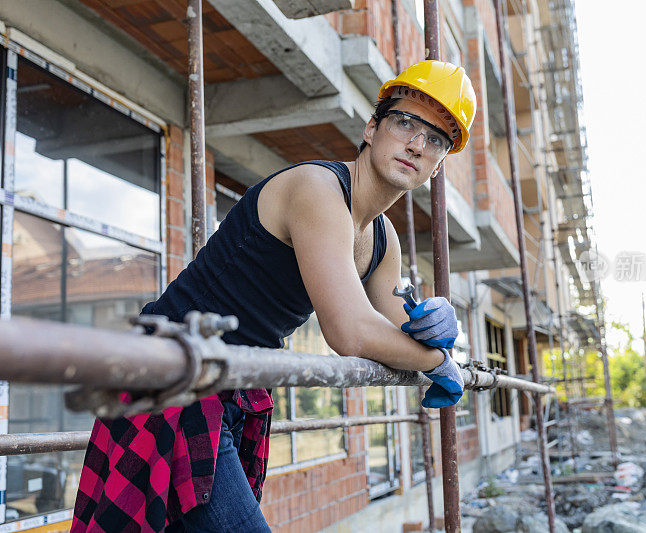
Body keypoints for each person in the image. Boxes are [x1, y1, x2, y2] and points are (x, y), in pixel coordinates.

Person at [70, 60, 477, 532]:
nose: (416, 144)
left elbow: (395, 331)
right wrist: (434, 361)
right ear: (371, 127)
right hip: (172, 377)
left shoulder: (382, 238)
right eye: (405, 122)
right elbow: (350, 331)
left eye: (436, 139)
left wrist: (440, 329)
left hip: (236, 383)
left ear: (439, 163)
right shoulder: (318, 189)